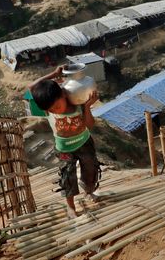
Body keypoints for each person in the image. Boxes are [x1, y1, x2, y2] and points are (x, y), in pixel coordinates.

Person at [28, 66, 101, 219]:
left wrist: (87, 107)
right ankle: (71, 206)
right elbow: (32, 87)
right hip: (64, 148)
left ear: (63, 94)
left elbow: (90, 125)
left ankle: (89, 191)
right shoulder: (48, 106)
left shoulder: (78, 100)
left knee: (90, 168)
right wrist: (54, 74)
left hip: (84, 142)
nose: (55, 111)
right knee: (67, 176)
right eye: (51, 110)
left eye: (56, 106)